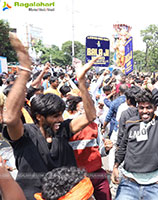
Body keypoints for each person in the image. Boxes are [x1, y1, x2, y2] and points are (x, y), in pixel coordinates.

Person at [3, 33, 97, 199]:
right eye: (55, 116)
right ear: (39, 116)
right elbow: (10, 119)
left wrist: (81, 81)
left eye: (61, 115)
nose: (60, 119)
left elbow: (90, 116)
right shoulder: (25, 135)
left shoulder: (63, 129)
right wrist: (25, 72)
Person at [112, 82, 158, 200]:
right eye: (141, 108)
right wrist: (115, 166)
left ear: (154, 108)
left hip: (154, 184)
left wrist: (152, 88)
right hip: (129, 183)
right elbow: (123, 146)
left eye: (149, 107)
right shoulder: (130, 123)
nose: (145, 111)